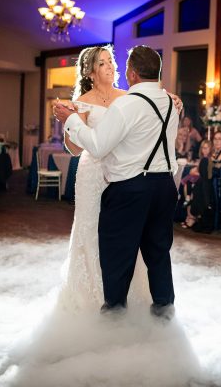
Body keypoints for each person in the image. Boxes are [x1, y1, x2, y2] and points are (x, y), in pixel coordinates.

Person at [54, 45, 179, 319]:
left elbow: (98, 146)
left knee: (117, 252)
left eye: (113, 61)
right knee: (158, 253)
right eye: (103, 62)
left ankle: (114, 316)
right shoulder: (169, 102)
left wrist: (71, 121)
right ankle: (164, 316)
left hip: (130, 185)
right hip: (163, 186)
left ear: (132, 74)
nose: (110, 67)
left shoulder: (126, 103)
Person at [179, 139, 212, 228]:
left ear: (210, 149)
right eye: (203, 148)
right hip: (200, 182)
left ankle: (191, 217)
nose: (204, 150)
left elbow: (204, 174)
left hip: (204, 184)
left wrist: (194, 172)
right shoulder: (203, 159)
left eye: (206, 148)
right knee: (188, 183)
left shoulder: (208, 160)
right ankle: (189, 216)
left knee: (189, 184)